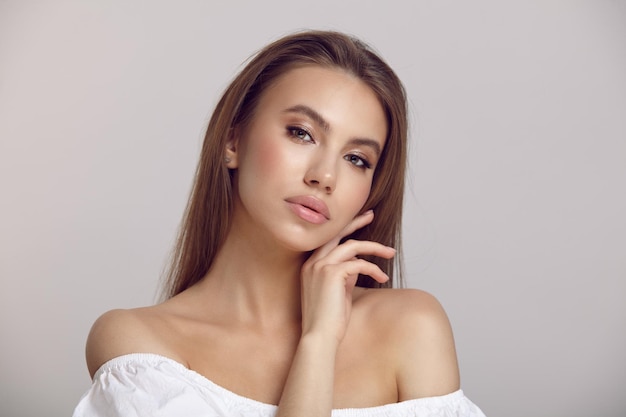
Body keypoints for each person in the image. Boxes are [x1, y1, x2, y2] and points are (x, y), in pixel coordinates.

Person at [73, 30, 485, 417]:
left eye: (357, 159)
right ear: (232, 142)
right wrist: (318, 344)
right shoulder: (140, 343)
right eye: (301, 133)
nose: (325, 176)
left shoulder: (411, 327)